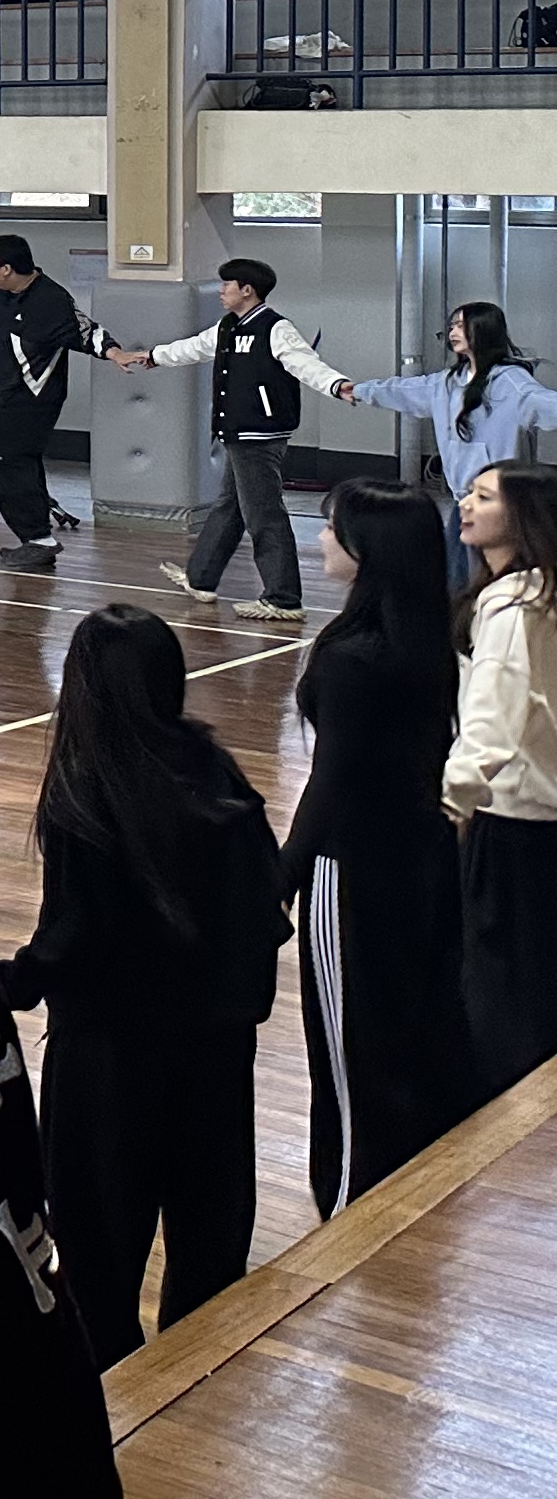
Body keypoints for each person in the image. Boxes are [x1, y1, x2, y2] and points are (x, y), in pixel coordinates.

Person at [0, 605, 287, 1362]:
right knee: (209, 1236)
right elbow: (265, 908)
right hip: (213, 1050)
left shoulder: (87, 787)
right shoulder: (215, 771)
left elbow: (71, 935)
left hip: (109, 1059)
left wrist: (8, 983)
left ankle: (115, 1390)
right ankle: (198, 1377)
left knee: (98, 1247)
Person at [286, 480, 483, 1216]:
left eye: (332, 529)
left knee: (349, 1049)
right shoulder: (434, 640)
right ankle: (418, 1184)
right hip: (427, 856)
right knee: (414, 1025)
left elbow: (330, 783)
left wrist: (279, 880)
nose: (322, 540)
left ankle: (348, 1202)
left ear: (365, 549)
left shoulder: (350, 657)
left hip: (354, 868)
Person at [104, 260, 345, 622]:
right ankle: (201, 578)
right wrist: (155, 356)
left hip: (260, 435)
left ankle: (283, 599)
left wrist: (336, 385)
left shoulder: (276, 328)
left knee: (264, 515)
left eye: (227, 285)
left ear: (247, 290)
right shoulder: (228, 326)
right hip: (237, 433)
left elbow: (306, 364)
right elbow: (195, 347)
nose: (221, 291)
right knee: (229, 507)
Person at [449, 461, 557, 1091]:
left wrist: (448, 806)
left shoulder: (513, 605)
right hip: (537, 820)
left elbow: (493, 719)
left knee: (503, 996)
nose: (466, 504)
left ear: (522, 518)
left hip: (515, 823)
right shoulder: (536, 592)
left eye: (484, 497)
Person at [341, 304, 553, 590]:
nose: (453, 332)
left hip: (501, 505)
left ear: (484, 329)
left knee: (494, 582)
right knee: (457, 583)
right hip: (461, 500)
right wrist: (360, 391)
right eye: (452, 326)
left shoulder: (510, 381)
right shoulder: (448, 382)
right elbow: (405, 390)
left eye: (461, 326)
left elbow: (542, 403)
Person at [0, 233, 115, 570]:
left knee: (4, 463)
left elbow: (85, 331)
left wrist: (115, 352)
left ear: (6, 268)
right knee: (20, 464)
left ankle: (38, 538)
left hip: (30, 399)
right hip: (1, 397)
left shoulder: (50, 299)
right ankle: (37, 540)